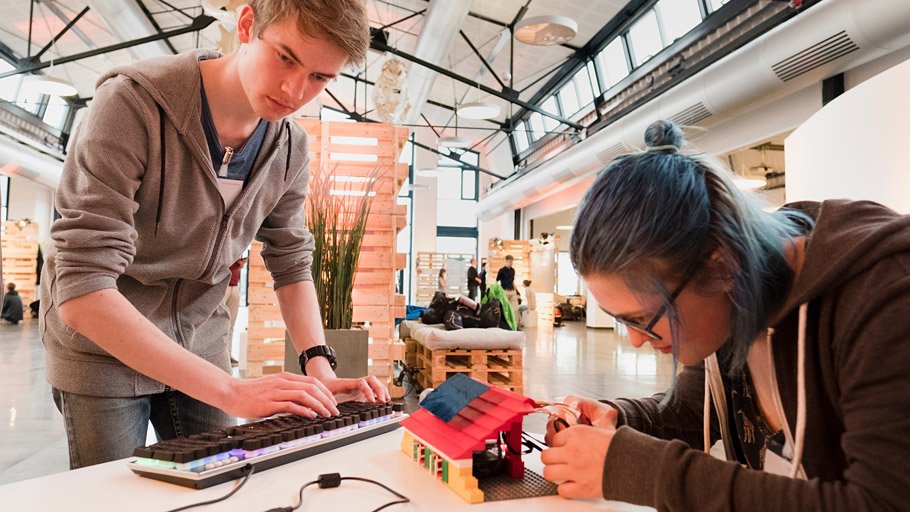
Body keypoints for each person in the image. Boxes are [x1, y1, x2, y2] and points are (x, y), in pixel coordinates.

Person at [40, 0, 389, 470]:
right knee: (115, 496)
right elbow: (82, 289)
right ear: (247, 25)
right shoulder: (129, 105)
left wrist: (319, 367)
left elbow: (291, 261)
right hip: (104, 351)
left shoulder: (290, 148)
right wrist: (232, 391)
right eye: (285, 57)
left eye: (320, 77)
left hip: (202, 339)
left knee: (222, 485)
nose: (294, 90)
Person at [539, 120, 910, 511]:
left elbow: (883, 502)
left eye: (641, 319)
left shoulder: (887, 301)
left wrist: (638, 469)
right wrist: (619, 420)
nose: (634, 340)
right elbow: (692, 410)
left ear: (721, 268)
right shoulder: (736, 303)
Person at [224, 256, 247, 365]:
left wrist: (239, 265)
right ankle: (220, 356)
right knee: (220, 323)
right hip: (223, 286)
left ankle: (228, 355)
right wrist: (236, 264)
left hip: (234, 285)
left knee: (231, 324)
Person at [496, 255, 520, 320]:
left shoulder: (513, 270)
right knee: (505, 308)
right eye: (510, 261)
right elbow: (497, 281)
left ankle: (515, 325)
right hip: (505, 291)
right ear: (506, 261)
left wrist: (516, 291)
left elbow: (513, 281)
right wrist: (498, 291)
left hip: (512, 291)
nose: (511, 263)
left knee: (515, 308)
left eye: (512, 261)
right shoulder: (501, 270)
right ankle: (506, 323)